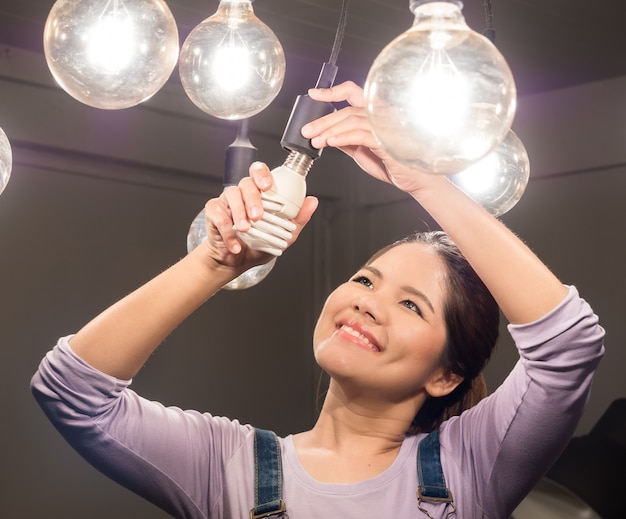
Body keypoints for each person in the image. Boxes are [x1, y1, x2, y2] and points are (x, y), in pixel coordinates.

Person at [31, 81, 605, 519]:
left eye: (411, 305)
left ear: (447, 375)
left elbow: (569, 346)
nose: (368, 303)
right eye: (364, 280)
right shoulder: (226, 466)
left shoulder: (473, 466)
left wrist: (424, 182)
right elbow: (73, 392)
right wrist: (214, 262)